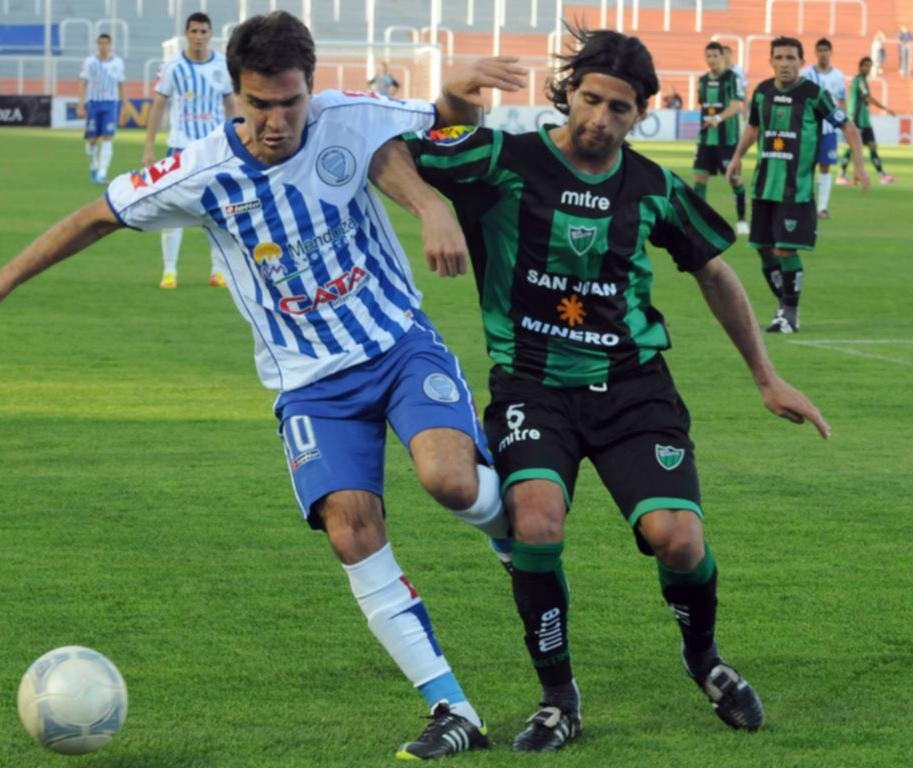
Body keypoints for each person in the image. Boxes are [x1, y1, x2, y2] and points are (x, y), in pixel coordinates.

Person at [0, 11, 528, 760]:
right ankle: (451, 708)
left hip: (397, 345)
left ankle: (512, 529)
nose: (276, 122)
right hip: (309, 384)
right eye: (259, 106)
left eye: (290, 103)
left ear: (311, 89)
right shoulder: (202, 170)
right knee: (350, 529)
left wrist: (453, 122)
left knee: (451, 484)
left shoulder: (347, 116)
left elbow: (437, 121)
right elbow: (95, 216)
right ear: (233, 97)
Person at [372, 25, 832, 752]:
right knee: (536, 522)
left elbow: (713, 269)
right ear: (568, 92)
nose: (600, 120)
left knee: (677, 539)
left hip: (632, 388)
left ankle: (704, 661)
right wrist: (437, 183)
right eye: (590, 100)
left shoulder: (652, 186)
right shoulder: (507, 157)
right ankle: (559, 699)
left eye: (620, 109)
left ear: (642, 112)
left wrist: (766, 375)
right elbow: (392, 151)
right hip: (533, 387)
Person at [727, 37, 869, 335]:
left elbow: (848, 126)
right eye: (779, 57)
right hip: (763, 186)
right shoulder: (763, 92)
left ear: (801, 62)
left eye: (791, 58)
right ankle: (784, 307)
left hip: (796, 189)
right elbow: (753, 127)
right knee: (764, 249)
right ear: (771, 61)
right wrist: (737, 157)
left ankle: (789, 314)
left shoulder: (814, 95)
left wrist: (858, 165)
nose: (785, 63)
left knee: (785, 251)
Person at [142, 11, 235, 290]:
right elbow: (159, 105)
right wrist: (148, 146)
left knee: (221, 212)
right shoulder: (172, 66)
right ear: (187, 34)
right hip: (180, 149)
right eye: (194, 32)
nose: (198, 37)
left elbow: (231, 105)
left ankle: (218, 270)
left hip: (215, 150)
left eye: (203, 32)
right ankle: (169, 271)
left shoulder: (222, 65)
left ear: (210, 34)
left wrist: (235, 141)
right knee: (173, 211)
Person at [694, 42, 748, 235]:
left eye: (715, 56)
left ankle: (742, 220)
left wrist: (717, 118)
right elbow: (704, 105)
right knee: (700, 178)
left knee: (734, 179)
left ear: (722, 57)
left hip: (727, 140)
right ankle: (699, 221)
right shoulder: (702, 81)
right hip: (706, 139)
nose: (711, 60)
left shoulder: (732, 78)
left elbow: (736, 106)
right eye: (708, 56)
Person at [800, 38, 847, 219]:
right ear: (815, 52)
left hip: (829, 130)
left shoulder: (838, 76)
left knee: (825, 167)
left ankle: (822, 208)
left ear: (831, 52)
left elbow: (841, 101)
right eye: (820, 50)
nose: (823, 53)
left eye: (826, 50)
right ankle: (804, 203)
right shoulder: (806, 74)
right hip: (809, 128)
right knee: (805, 166)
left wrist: (843, 126)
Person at [838, 57, 897, 187]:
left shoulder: (863, 80)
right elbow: (867, 97)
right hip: (857, 120)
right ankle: (841, 175)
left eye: (870, 66)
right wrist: (885, 108)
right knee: (852, 147)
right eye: (865, 65)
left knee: (872, 146)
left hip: (865, 121)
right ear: (860, 67)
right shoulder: (859, 80)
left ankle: (882, 175)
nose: (868, 68)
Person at [78, 33, 127, 185]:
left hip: (111, 104)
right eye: (101, 43)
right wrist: (81, 103)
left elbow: (121, 84)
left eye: (106, 43)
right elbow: (83, 83)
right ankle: (93, 168)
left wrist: (124, 105)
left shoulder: (118, 63)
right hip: (93, 103)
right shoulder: (90, 62)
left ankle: (102, 174)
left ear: (110, 45)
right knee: (92, 140)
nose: (103, 46)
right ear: (97, 45)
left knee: (108, 137)